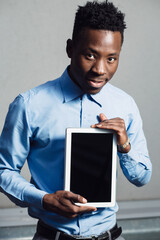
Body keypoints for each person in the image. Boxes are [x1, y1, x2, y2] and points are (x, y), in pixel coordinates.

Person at [0, 1, 152, 239]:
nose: (100, 69)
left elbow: (142, 178)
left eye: (111, 58)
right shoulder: (29, 105)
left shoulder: (126, 106)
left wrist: (124, 145)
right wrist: (45, 199)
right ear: (70, 48)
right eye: (90, 55)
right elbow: (4, 171)